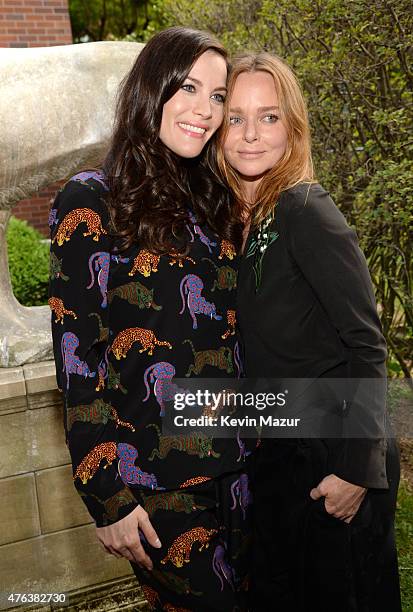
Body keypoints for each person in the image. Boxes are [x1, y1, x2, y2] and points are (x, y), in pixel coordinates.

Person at [49, 27, 252, 612]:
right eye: (189, 88)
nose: (206, 111)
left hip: (242, 468)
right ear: (151, 89)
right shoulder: (90, 197)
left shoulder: (215, 200)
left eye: (218, 96)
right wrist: (106, 496)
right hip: (159, 486)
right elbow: (76, 360)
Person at [217, 52, 401, 611]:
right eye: (236, 118)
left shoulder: (304, 209)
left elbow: (367, 343)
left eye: (269, 117)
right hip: (285, 452)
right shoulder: (247, 219)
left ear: (293, 128)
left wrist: (355, 470)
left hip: (335, 456)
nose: (251, 135)